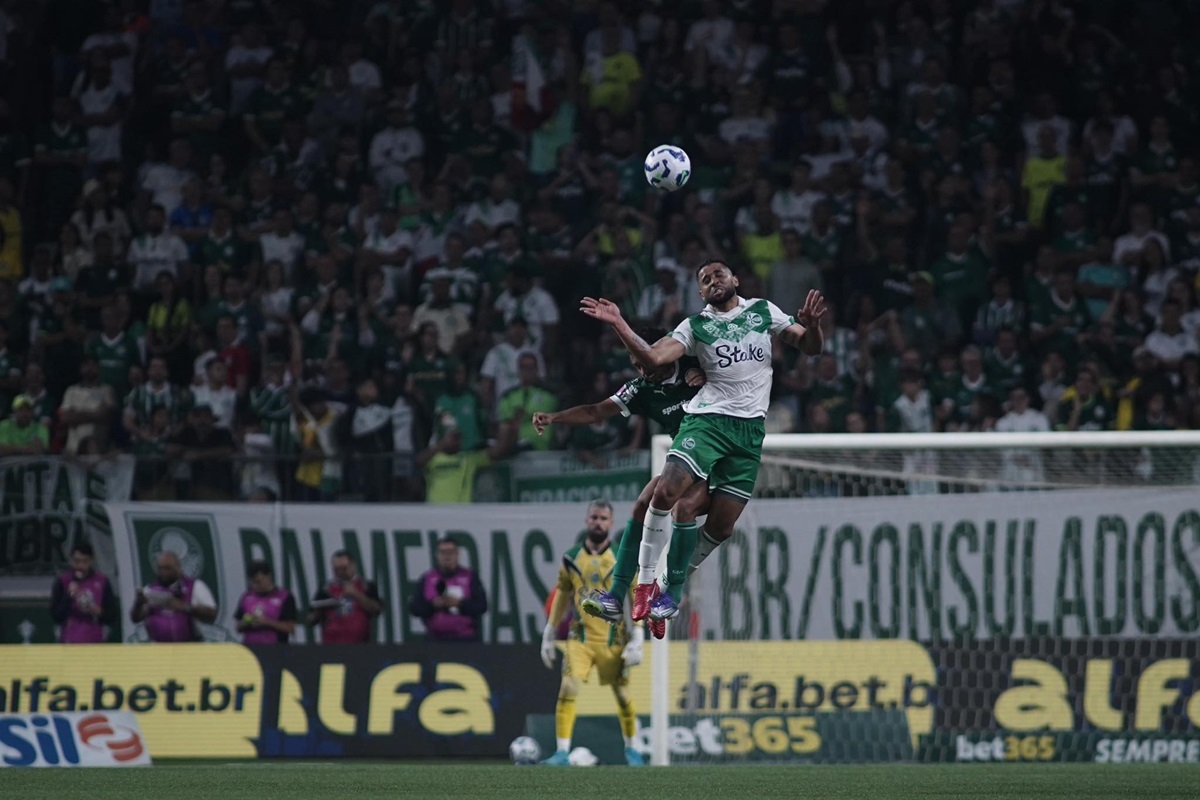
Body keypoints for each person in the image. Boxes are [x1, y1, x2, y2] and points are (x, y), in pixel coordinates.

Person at [580, 261, 825, 623]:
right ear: (700, 293)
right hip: (707, 422)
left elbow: (810, 347)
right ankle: (642, 587)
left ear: (735, 279)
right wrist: (619, 323)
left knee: (721, 527)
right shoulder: (694, 326)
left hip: (749, 434)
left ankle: (667, 590)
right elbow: (652, 358)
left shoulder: (762, 311)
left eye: (719, 274)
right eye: (705, 280)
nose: (713, 281)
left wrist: (814, 326)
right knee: (665, 494)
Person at [532, 326, 709, 639]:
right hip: (685, 460)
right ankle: (617, 596)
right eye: (636, 365)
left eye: (645, 362)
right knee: (643, 502)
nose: (642, 371)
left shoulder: (695, 360)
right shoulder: (641, 388)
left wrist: (707, 377)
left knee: (680, 506)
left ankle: (665, 593)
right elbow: (595, 411)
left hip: (717, 452)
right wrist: (555, 417)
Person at [538, 500, 644, 767]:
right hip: (580, 638)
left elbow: (635, 596)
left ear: (611, 523)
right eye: (594, 517)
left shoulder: (622, 557)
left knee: (622, 695)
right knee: (568, 686)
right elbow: (563, 593)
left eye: (603, 518)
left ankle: (632, 750)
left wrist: (638, 636)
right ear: (587, 521)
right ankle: (562, 753)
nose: (598, 522)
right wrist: (549, 633)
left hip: (613, 639)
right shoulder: (572, 558)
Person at [407, 536, 488, 641]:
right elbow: (415, 608)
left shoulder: (470, 577)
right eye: (443, 553)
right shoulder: (427, 578)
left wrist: (460, 603)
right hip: (434, 639)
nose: (447, 557)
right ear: (437, 555)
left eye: (451, 552)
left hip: (465, 639)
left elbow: (482, 606)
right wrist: (433, 605)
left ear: (457, 554)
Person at [130, 551, 218, 642]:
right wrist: (138, 603)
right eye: (160, 568)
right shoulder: (150, 589)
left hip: (190, 646)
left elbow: (212, 613)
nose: (163, 572)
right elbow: (135, 618)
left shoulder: (195, 586)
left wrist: (185, 607)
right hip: (159, 648)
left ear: (178, 568)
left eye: (167, 568)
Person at [306, 550, 383, 644]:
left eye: (343, 568)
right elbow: (310, 618)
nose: (340, 572)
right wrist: (321, 610)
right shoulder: (326, 588)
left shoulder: (366, 585)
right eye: (336, 569)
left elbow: (377, 609)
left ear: (353, 566)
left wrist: (356, 594)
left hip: (359, 644)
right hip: (330, 645)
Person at [49, 542, 117, 643]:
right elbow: (56, 615)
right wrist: (69, 596)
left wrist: (99, 612)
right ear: (71, 560)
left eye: (85, 561)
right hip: (69, 639)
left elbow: (112, 615)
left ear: (91, 561)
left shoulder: (102, 581)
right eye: (77, 561)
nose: (80, 566)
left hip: (94, 639)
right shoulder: (63, 580)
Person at [235, 560, 297, 644]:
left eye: (259, 581)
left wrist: (266, 622)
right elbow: (238, 627)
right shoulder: (246, 597)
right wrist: (247, 622)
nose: (256, 585)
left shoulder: (284, 597)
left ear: (268, 576)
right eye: (253, 582)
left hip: (276, 649)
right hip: (250, 649)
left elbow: (290, 628)